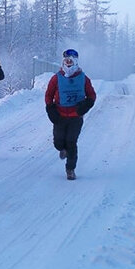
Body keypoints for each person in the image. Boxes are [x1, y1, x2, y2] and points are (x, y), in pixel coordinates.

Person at [45, 48, 97, 180]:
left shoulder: (83, 78)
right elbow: (48, 95)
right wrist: (50, 109)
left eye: (70, 61)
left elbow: (91, 95)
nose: (68, 63)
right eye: (66, 61)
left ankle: (70, 169)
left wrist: (84, 106)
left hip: (76, 117)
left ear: (75, 62)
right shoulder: (56, 78)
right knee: (58, 143)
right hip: (59, 116)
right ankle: (63, 149)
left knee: (71, 142)